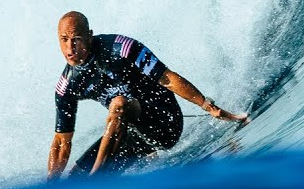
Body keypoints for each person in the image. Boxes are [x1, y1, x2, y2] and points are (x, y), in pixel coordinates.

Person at [47, 10, 247, 179]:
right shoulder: (67, 85)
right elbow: (61, 142)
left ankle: (97, 179)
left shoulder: (121, 48)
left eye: (76, 40)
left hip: (166, 122)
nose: (69, 49)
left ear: (89, 36)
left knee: (119, 105)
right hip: (134, 137)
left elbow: (168, 78)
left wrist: (210, 107)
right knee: (74, 181)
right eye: (64, 40)